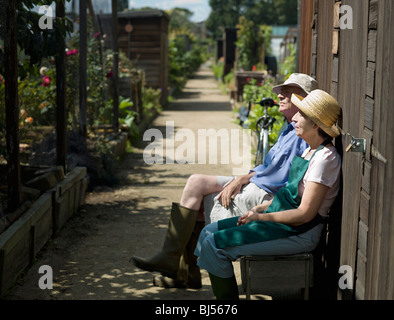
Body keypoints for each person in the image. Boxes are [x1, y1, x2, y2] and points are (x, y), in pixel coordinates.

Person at [131, 73, 318, 289]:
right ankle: (175, 262)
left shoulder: (305, 133)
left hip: (268, 193)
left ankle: (182, 270)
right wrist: (243, 177)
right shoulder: (288, 128)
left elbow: (294, 184)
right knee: (195, 182)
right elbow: (268, 168)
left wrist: (262, 201)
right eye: (282, 91)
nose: (281, 95)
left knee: (198, 202)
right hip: (257, 181)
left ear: (305, 100)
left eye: (289, 91)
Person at [194, 89, 342, 300]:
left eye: (301, 115)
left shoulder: (325, 159)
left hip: (299, 232)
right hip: (281, 220)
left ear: (316, 124)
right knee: (207, 232)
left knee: (214, 245)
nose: (295, 119)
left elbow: (305, 214)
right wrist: (261, 207)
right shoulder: (309, 150)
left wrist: (260, 217)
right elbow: (292, 194)